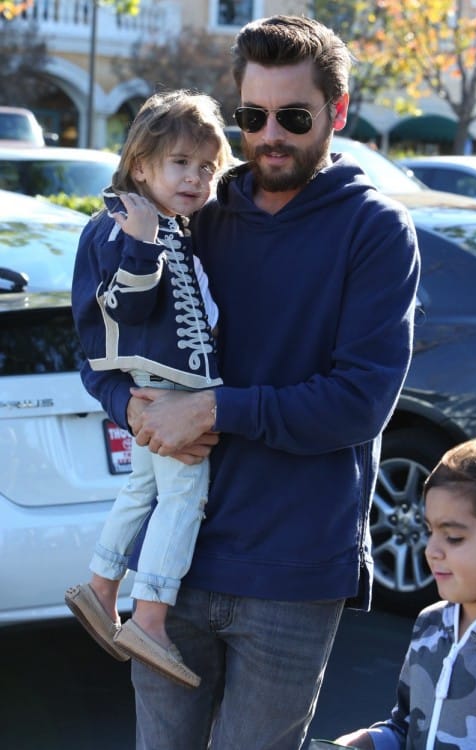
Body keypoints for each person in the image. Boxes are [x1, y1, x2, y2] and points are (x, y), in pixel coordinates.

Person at [79, 15, 421, 750]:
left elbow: (357, 402)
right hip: (173, 567)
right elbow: (103, 351)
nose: (269, 135)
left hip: (292, 572)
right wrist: (135, 410)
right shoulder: (195, 210)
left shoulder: (374, 230)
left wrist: (206, 408)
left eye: (293, 118)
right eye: (252, 117)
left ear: (336, 111)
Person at [65, 89, 233, 688]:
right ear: (141, 166)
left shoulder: (171, 222)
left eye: (208, 167)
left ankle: (102, 585)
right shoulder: (128, 225)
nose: (196, 178)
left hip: (164, 382)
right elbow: (128, 309)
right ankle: (152, 614)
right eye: (181, 164)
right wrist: (142, 243)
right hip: (170, 387)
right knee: (184, 497)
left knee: (141, 488)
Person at [333, 431, 476, 750]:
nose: (432, 550)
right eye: (430, 531)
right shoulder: (431, 624)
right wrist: (369, 743)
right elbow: (407, 726)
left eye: (454, 537)